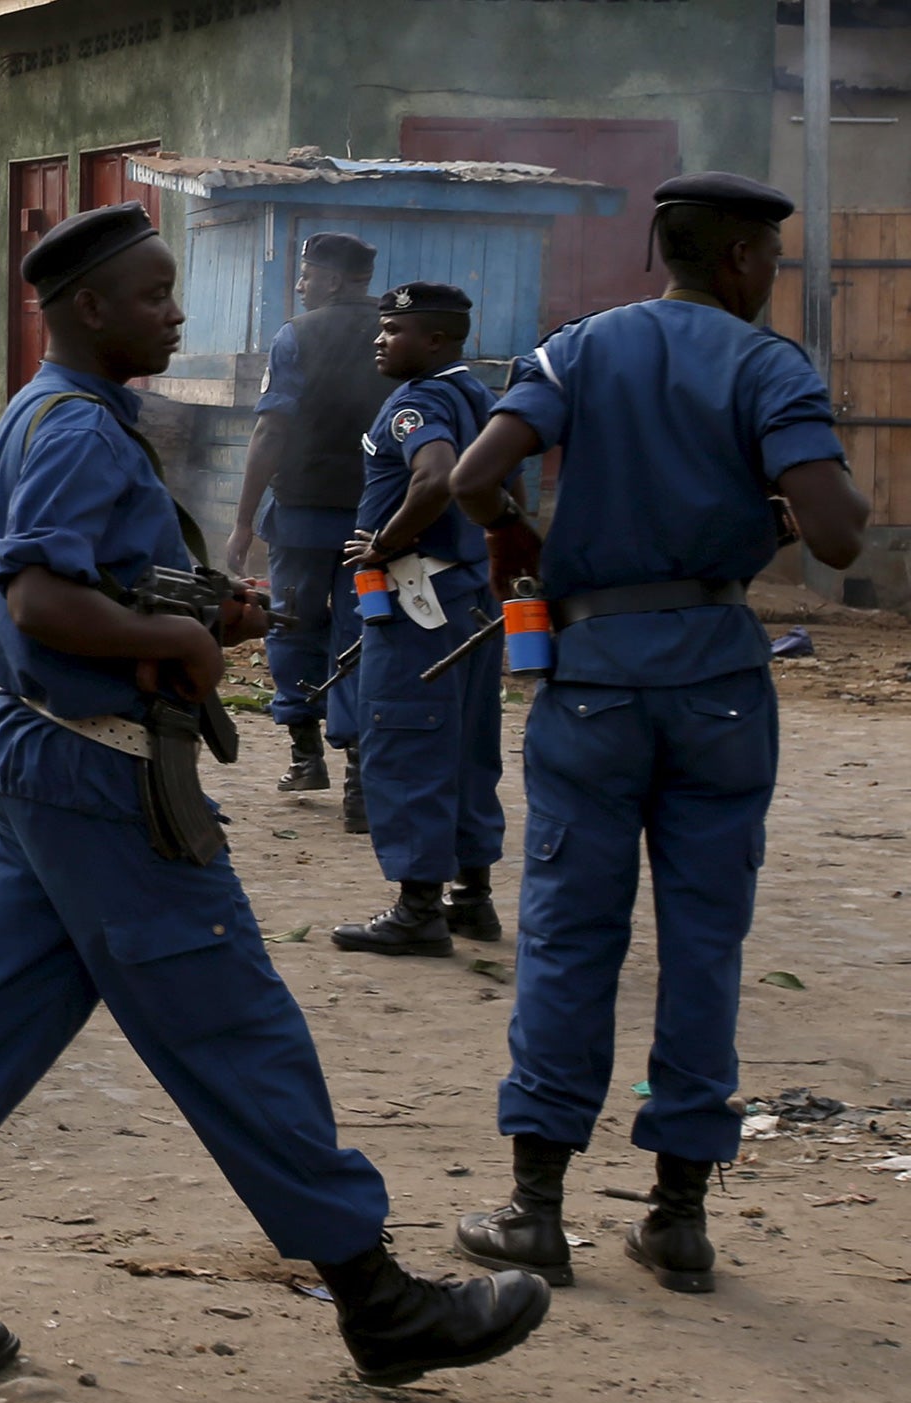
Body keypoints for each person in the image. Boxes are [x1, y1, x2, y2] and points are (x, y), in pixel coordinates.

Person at [0, 203, 549, 1396]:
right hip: (103, 777)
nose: (178, 313)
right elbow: (41, 604)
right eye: (157, 295)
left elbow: (87, 587)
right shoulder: (74, 431)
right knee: (235, 1027)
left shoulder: (59, 414)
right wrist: (184, 642)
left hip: (39, 765)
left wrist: (197, 610)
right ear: (86, 310)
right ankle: (376, 1301)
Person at [447, 174, 870, 1295]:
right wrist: (778, 502)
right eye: (768, 259)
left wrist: (514, 535)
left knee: (568, 935)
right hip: (718, 686)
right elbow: (832, 536)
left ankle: (535, 1209)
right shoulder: (768, 366)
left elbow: (472, 476)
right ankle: (676, 1217)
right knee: (701, 942)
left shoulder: (579, 349)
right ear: (735, 258)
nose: (769, 278)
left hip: (590, 683)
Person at [332, 284, 510, 957]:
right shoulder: (482, 399)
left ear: (435, 340)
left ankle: (416, 912)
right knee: (466, 747)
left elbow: (434, 479)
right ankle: (473, 899)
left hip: (416, 603)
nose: (379, 339)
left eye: (394, 328)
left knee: (406, 742)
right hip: (468, 600)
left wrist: (385, 543)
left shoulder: (418, 403)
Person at [226, 232, 395, 830]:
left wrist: (243, 522)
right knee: (362, 637)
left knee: (292, 625)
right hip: (378, 525)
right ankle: (359, 778)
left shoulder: (297, 334)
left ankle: (305, 754)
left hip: (299, 517)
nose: (299, 286)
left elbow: (271, 431)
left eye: (305, 275)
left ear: (330, 278)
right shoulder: (400, 330)